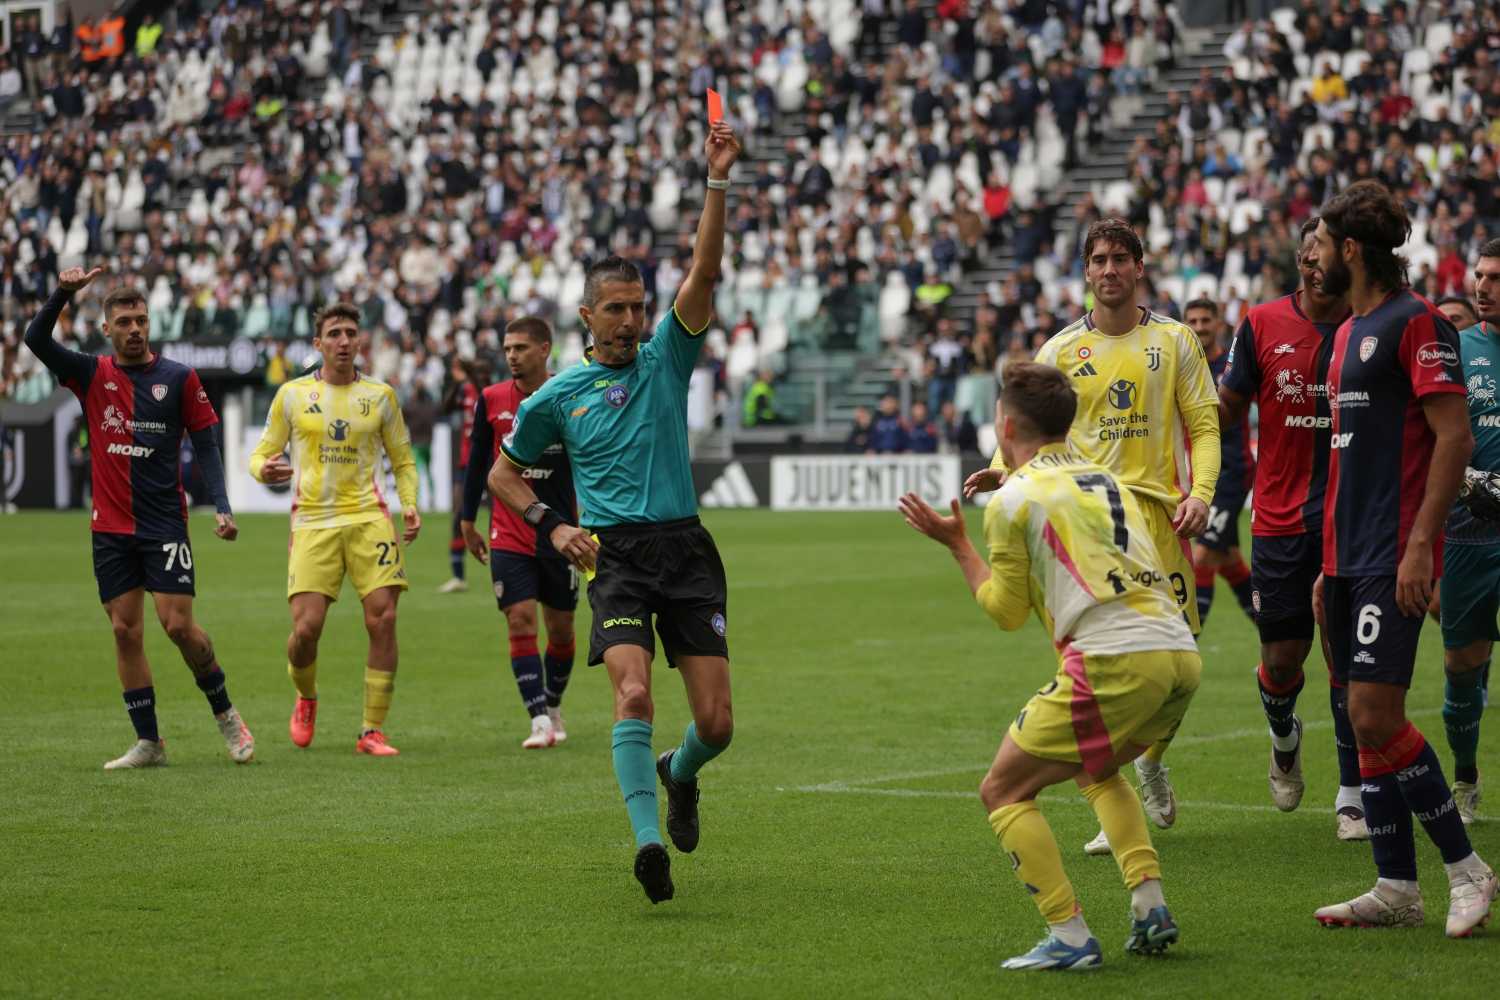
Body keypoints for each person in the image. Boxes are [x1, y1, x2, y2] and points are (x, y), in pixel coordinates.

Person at [488, 120, 742, 904]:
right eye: (617, 310)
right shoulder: (556, 396)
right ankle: (645, 845)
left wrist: (717, 182)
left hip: (687, 550)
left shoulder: (670, 354)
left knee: (719, 725)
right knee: (633, 696)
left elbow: (703, 269)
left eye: (638, 307)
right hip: (618, 560)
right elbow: (504, 475)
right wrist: (554, 525)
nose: (632, 321)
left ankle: (679, 771)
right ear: (587, 315)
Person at [900, 362, 1199, 971]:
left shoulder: (1011, 501)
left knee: (1002, 789)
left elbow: (1006, 612)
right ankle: (1150, 907)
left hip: (1116, 658)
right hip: (1180, 654)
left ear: (1005, 423)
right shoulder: (1106, 477)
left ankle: (1069, 934)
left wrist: (958, 546)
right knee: (1097, 769)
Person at [965, 218, 1220, 855]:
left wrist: (1201, 495)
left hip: (1158, 525)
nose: (1109, 270)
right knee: (1091, 659)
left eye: (1119, 259)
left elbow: (1205, 427)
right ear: (1085, 271)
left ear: (1139, 267)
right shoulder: (1058, 351)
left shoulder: (1175, 340)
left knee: (1181, 660)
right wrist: (1000, 472)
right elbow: (1031, 424)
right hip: (1083, 527)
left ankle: (1150, 761)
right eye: (1098, 260)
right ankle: (1114, 804)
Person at [1306, 180, 1494, 936]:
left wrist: (1422, 544)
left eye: (1320, 243)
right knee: (1364, 719)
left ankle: (1469, 870)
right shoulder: (1349, 333)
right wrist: (1329, 563)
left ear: (1352, 249)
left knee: (1373, 712)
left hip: (1396, 552)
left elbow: (1455, 437)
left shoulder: (1416, 322)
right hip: (1350, 555)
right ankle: (1395, 886)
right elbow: (1351, 459)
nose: (1310, 257)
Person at [25, 266, 252, 769]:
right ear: (107, 329)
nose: (134, 329)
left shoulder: (178, 377)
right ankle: (149, 742)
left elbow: (207, 444)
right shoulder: (91, 373)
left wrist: (223, 504)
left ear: (150, 325)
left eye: (141, 320)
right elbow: (34, 337)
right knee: (125, 631)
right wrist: (64, 292)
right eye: (124, 321)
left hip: (165, 525)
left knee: (178, 628)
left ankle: (225, 714)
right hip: (110, 529)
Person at [1219, 218, 1362, 832]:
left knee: (1347, 657)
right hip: (1278, 519)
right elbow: (1225, 412)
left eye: (1321, 252)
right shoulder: (1259, 324)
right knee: (1282, 659)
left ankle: (1352, 791)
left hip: (1351, 516)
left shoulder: (1370, 325)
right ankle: (1284, 735)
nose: (1310, 262)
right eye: (1304, 253)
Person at [249, 302, 420, 757]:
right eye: (335, 333)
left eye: (350, 332)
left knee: (382, 618)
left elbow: (402, 460)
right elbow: (259, 454)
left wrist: (409, 505)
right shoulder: (291, 395)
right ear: (318, 343)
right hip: (313, 522)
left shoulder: (381, 396)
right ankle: (306, 696)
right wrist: (263, 471)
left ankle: (371, 730)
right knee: (306, 630)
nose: (344, 340)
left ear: (359, 340)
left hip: (369, 519)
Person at [461, 317, 579, 749]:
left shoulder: (568, 394)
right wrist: (467, 519)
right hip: (508, 532)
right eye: (507, 348)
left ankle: (552, 703)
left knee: (562, 630)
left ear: (544, 349)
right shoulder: (491, 399)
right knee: (520, 620)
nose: (511, 355)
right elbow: (478, 465)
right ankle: (538, 721)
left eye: (521, 348)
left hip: (560, 532)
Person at [1435, 239, 1500, 824]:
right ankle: (1465, 775)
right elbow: (1435, 433)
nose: (1482, 286)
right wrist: (1468, 479)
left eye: (1495, 278)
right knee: (1461, 664)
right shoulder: (1456, 349)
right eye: (1480, 276)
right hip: (1468, 531)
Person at [1183, 298, 1255, 627]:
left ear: (1218, 324)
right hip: (1201, 476)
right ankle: (1275, 632)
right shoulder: (1183, 366)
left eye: (1205, 321)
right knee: (1228, 560)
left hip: (1232, 474)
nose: (1199, 328)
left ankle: (1186, 641)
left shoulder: (1232, 364)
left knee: (1202, 556)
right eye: (1193, 322)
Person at [439, 358, 489, 593]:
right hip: (465, 463)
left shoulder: (486, 392)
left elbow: (480, 386)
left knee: (503, 514)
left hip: (489, 462)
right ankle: (458, 576)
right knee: (458, 516)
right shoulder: (465, 390)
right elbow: (446, 408)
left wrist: (468, 372)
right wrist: (457, 384)